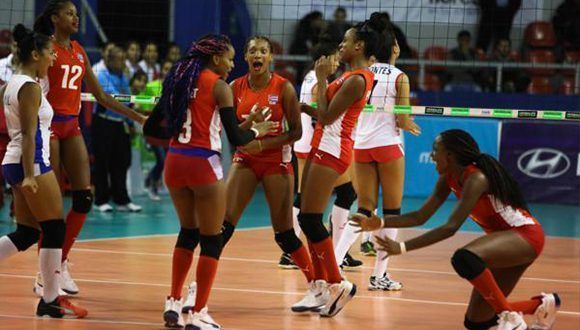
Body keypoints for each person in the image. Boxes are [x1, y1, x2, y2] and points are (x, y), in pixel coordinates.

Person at [351, 129, 560, 330]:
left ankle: (511, 318)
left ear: (449, 155)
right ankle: (542, 305)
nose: (432, 156)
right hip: (507, 242)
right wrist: (379, 223)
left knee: (464, 258)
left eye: (435, 151)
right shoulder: (448, 178)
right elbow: (420, 216)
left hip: (525, 236)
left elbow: (450, 227)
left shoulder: (476, 178)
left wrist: (402, 247)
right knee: (476, 322)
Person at [143, 34, 275, 329]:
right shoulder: (219, 86)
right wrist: (257, 130)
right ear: (216, 58)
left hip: (175, 162)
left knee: (187, 233)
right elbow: (236, 139)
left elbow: (152, 129)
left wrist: (247, 123)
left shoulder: (178, 79)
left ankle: (174, 302)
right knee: (212, 239)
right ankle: (199, 313)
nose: (231, 64)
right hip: (203, 165)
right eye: (229, 58)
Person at [33, 0, 146, 295]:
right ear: (55, 18)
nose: (75, 18)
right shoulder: (45, 48)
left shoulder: (80, 51)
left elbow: (102, 96)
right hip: (48, 125)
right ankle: (46, 273)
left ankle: (61, 261)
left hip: (71, 125)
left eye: (76, 13)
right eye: (69, 13)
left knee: (84, 198)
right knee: (53, 206)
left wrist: (138, 117)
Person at [212, 35, 318, 314]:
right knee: (222, 227)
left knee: (284, 235)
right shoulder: (234, 87)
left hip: (277, 162)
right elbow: (234, 130)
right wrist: (250, 127)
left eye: (263, 51)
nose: (257, 55)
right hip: (246, 158)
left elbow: (296, 132)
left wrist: (262, 142)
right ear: (246, 58)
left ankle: (316, 286)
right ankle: (197, 290)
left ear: (270, 57)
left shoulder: (284, 88)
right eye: (252, 51)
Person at [296, 17, 386, 317]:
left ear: (358, 46)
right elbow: (321, 112)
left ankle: (336, 283)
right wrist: (302, 108)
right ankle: (321, 285)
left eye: (345, 41)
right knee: (307, 216)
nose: (341, 46)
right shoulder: (349, 76)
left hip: (332, 150)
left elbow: (327, 118)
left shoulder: (358, 79)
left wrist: (321, 79)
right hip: (321, 145)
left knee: (309, 219)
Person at [0, 23, 87, 318]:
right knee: (54, 228)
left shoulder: (15, 82)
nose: (53, 58)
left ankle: (50, 299)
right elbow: (27, 133)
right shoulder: (29, 86)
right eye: (49, 53)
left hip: (18, 161)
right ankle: (50, 298)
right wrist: (28, 173)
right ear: (35, 54)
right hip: (31, 162)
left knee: (27, 233)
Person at [334, 19, 421, 292]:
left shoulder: (364, 71)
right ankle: (380, 276)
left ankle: (333, 264)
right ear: (394, 48)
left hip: (362, 145)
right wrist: (410, 123)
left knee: (363, 209)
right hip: (388, 146)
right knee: (392, 212)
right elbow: (403, 119)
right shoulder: (399, 76)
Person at [287, 39, 362, 271]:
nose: (337, 61)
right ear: (323, 60)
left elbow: (313, 111)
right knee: (345, 194)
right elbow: (323, 116)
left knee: (307, 200)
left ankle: (293, 250)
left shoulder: (312, 78)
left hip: (309, 143)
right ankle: (330, 252)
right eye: (333, 58)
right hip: (318, 146)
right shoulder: (319, 81)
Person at [92, 46, 141, 212]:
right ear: (110, 60)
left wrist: (130, 121)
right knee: (102, 162)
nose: (123, 63)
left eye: (123, 59)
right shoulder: (101, 75)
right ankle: (101, 200)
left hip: (119, 124)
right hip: (103, 123)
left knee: (122, 161)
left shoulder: (123, 77)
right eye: (119, 59)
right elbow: (116, 100)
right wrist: (134, 107)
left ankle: (122, 200)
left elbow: (127, 98)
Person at [142, 60, 174, 201]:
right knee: (161, 160)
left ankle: (151, 179)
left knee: (166, 161)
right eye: (166, 68)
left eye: (171, 69)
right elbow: (144, 107)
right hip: (154, 130)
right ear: (161, 70)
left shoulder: (177, 87)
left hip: (167, 131)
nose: (168, 71)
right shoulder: (151, 86)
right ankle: (152, 187)